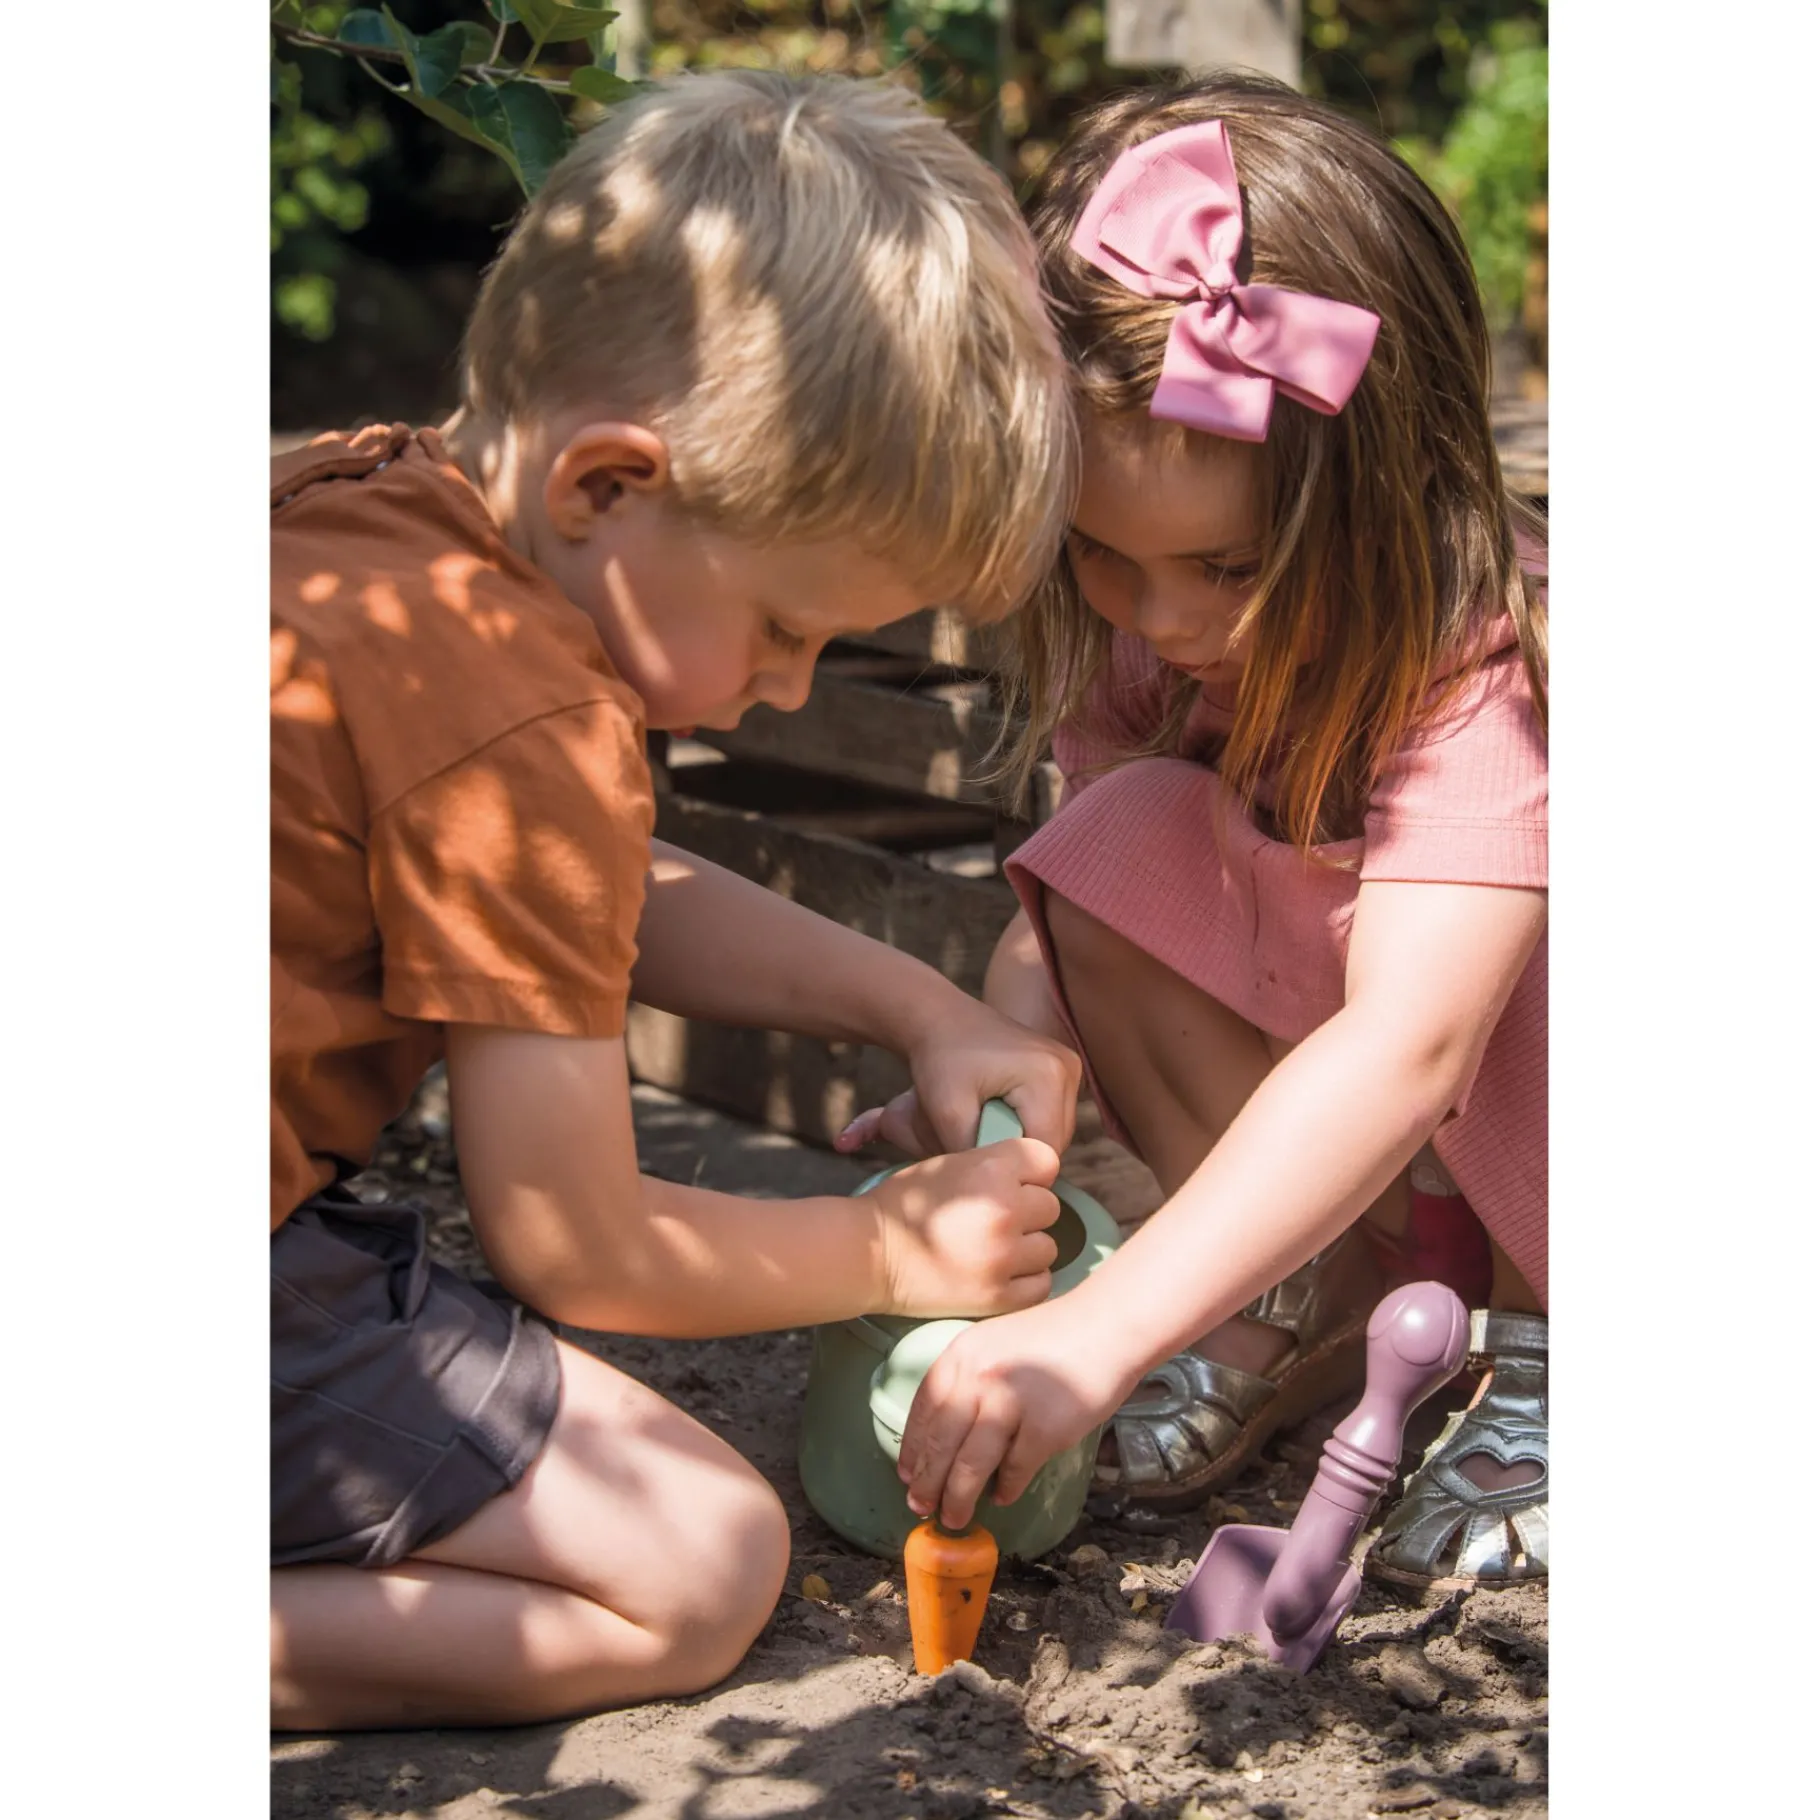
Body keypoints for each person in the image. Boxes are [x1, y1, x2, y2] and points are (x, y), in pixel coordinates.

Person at [270, 69, 1085, 1731]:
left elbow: (585, 892)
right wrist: (885, 1244)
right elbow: (577, 1241)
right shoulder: (526, 712)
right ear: (608, 487)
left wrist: (917, 1004)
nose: (788, 689)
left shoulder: (357, 515)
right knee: (698, 1562)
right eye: (787, 627)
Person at [842, 72, 1548, 1591]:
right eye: (1102, 554)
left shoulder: (1490, 665)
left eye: (1227, 568)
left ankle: (1563, 1349)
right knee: (1117, 837)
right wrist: (991, 1084)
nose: (1162, 618)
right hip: (1389, 1177)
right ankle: (1291, 1296)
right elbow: (1082, 915)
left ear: (1388, 494)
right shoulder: (1166, 632)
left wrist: (1096, 1331)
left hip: (1526, 1146)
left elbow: (1411, 1047)